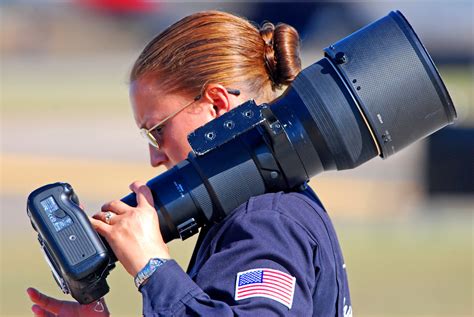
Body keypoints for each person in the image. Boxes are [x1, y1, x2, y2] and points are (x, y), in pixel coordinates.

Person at [27, 11, 352, 316]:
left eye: (158, 131)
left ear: (218, 106)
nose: (155, 157)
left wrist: (152, 267)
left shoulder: (266, 221)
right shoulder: (256, 208)